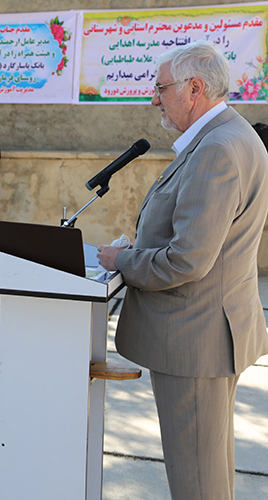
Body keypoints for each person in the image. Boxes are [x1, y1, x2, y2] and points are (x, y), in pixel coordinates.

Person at [97, 41, 268, 500]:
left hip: (196, 337)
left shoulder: (216, 150)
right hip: (213, 331)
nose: (154, 99)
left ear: (195, 89)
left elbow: (187, 260)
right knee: (209, 469)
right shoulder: (231, 134)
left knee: (197, 480)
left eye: (161, 88)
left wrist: (121, 260)